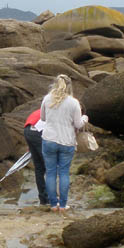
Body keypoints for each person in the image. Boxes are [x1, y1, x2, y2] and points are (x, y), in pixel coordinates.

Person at [40, 74, 88, 213]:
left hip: (49, 139)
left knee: (50, 173)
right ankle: (63, 205)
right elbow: (78, 124)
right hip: (67, 141)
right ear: (70, 86)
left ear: (55, 84)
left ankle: (53, 205)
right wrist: (85, 118)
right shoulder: (73, 102)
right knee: (64, 173)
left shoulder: (47, 98)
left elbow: (43, 118)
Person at [23, 109, 48, 206]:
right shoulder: (58, 110)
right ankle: (50, 198)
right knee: (49, 165)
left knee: (39, 168)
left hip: (28, 130)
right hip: (37, 131)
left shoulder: (43, 108)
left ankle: (43, 198)